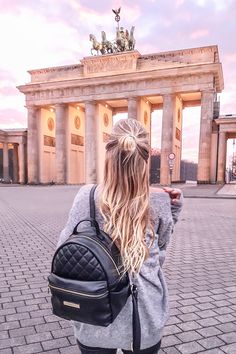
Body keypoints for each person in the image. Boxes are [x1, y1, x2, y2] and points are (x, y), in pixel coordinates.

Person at [57, 118, 183, 354]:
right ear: (145, 159)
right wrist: (174, 208)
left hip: (94, 310)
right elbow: (161, 248)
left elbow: (63, 247)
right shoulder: (158, 199)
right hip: (143, 315)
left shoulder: (87, 195)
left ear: (109, 155)